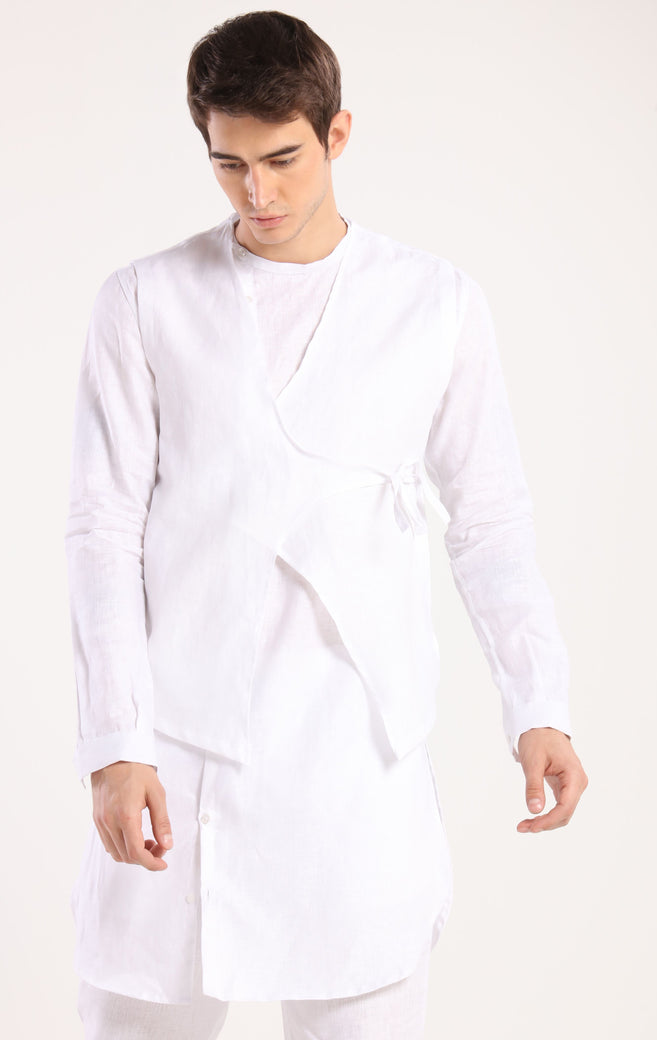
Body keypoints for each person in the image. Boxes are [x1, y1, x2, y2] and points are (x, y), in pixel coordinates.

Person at [64, 9, 588, 1039]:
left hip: (352, 761)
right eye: (228, 165)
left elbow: (487, 519)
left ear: (337, 134)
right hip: (181, 754)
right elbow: (102, 530)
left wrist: (538, 703)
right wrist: (115, 743)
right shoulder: (145, 302)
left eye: (282, 160)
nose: (256, 194)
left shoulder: (433, 304)